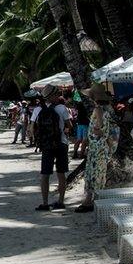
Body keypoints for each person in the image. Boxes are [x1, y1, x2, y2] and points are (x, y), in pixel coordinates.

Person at [75, 83, 119, 213]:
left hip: (97, 146)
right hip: (102, 146)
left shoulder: (98, 109)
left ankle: (89, 201)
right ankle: (92, 200)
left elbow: (98, 127)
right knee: (98, 173)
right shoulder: (107, 109)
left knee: (93, 173)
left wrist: (95, 131)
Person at [33, 85, 72, 211]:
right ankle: (60, 201)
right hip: (61, 143)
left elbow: (32, 128)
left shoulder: (38, 110)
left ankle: (45, 203)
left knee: (45, 174)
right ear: (53, 96)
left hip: (47, 145)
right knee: (61, 173)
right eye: (57, 94)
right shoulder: (62, 108)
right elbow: (69, 125)